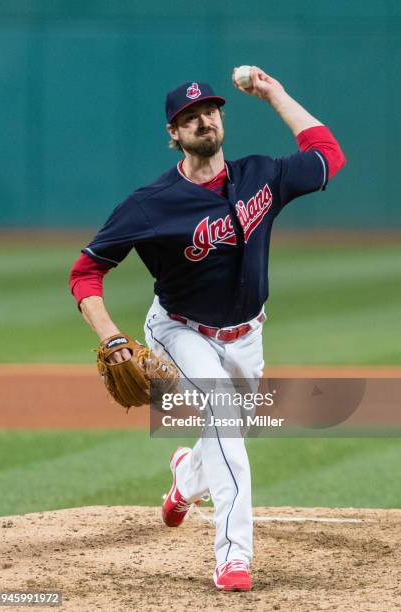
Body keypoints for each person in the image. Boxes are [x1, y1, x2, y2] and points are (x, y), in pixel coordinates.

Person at [69, 67, 345, 592]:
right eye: (189, 117)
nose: (203, 120)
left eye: (210, 111)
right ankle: (233, 557)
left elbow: (328, 154)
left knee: (229, 433)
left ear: (221, 118)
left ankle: (184, 479)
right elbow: (85, 272)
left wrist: (274, 93)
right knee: (223, 421)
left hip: (247, 334)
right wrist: (110, 336)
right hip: (180, 332)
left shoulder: (262, 175)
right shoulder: (150, 204)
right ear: (173, 133)